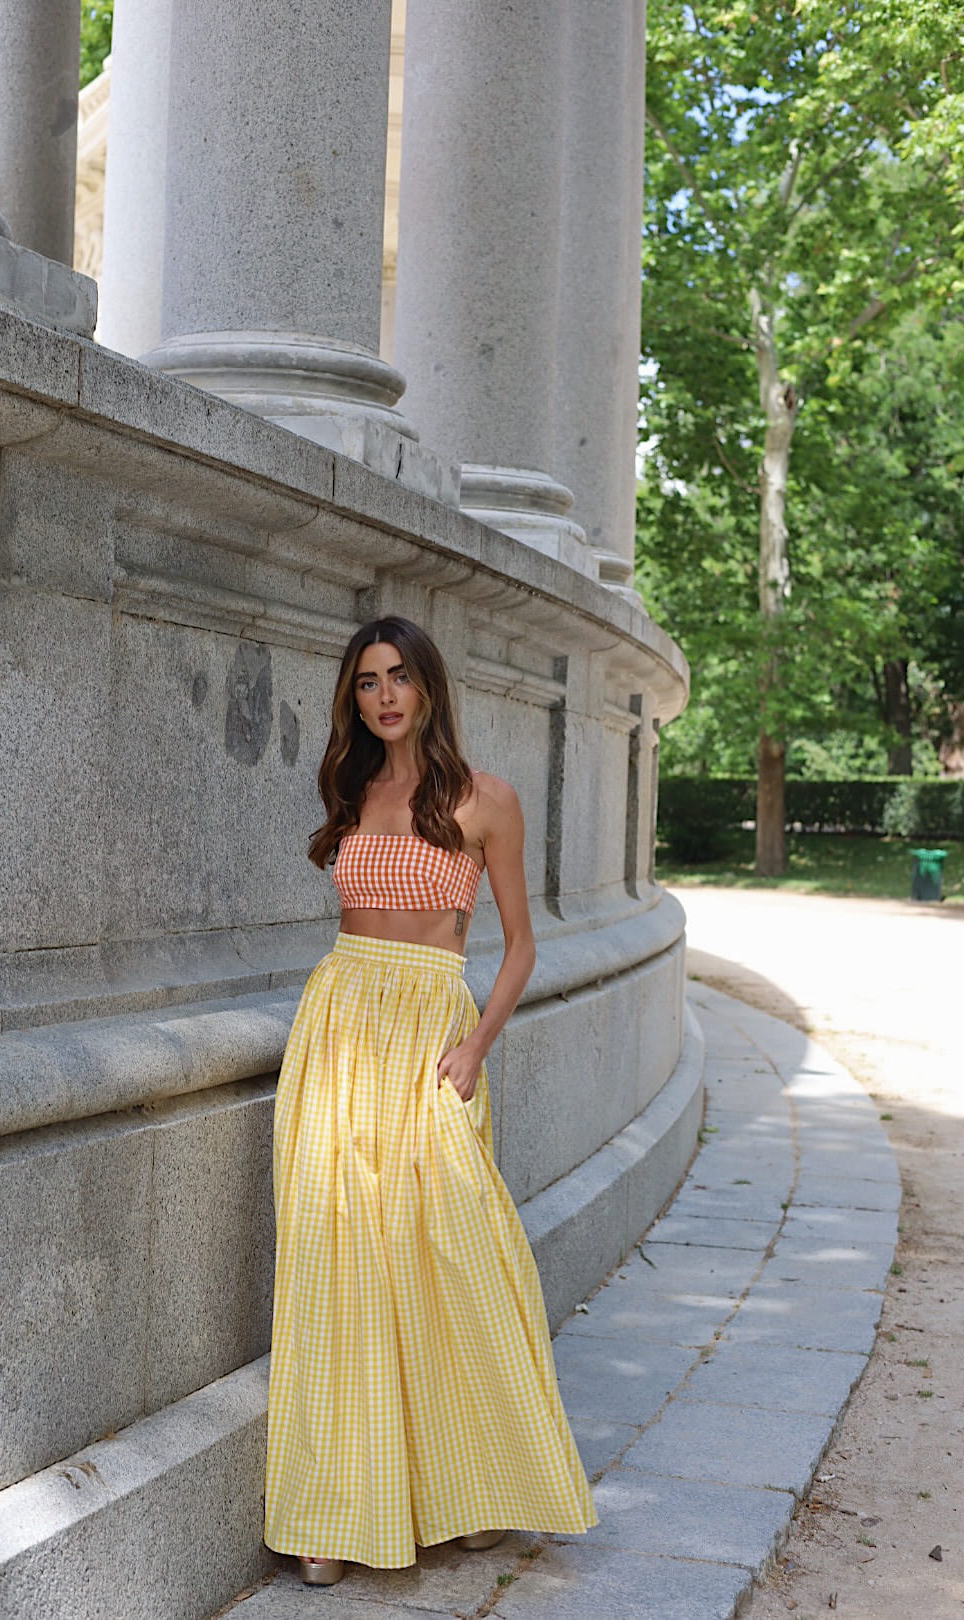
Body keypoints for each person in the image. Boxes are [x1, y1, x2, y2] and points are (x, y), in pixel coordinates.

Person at [263, 616, 596, 1586]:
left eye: (399, 676)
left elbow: (521, 946)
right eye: (367, 682)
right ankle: (330, 1518)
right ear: (354, 699)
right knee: (335, 1257)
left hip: (429, 1036)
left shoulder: (488, 800)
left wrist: (474, 1048)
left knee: (453, 1244)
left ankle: (477, 1485)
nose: (384, 696)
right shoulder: (351, 791)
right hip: (337, 1027)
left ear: (430, 686)